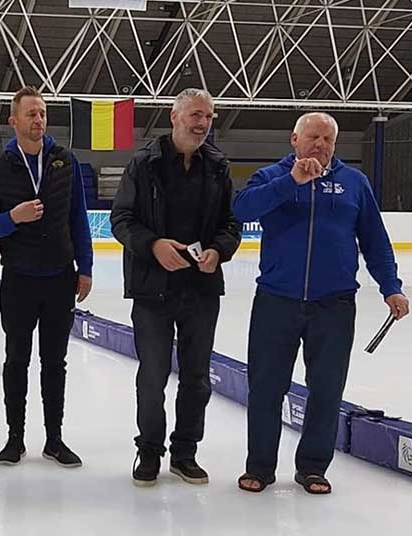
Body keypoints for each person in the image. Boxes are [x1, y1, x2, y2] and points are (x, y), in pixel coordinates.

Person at [232, 112, 410, 495]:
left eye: (328, 139)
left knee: (327, 390)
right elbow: (241, 209)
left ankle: (313, 467)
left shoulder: (354, 183)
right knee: (266, 387)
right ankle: (259, 466)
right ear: (294, 140)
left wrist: (391, 286)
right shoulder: (271, 176)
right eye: (313, 137)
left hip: (335, 305)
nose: (320, 145)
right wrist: (291, 181)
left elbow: (375, 241)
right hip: (277, 301)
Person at [110, 88, 242, 487]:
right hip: (153, 290)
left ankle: (185, 453)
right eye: (196, 115)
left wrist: (219, 251)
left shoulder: (217, 167)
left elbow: (231, 224)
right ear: (174, 116)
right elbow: (121, 219)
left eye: (209, 116)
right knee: (152, 376)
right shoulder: (143, 164)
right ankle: (149, 450)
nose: (202, 123)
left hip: (200, 290)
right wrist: (152, 245)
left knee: (197, 378)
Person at [0, 86, 93, 468]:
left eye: (42, 113)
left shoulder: (65, 161)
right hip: (19, 280)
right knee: (16, 360)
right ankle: (15, 438)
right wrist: (13, 217)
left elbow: (78, 218)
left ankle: (54, 439)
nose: (38, 119)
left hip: (60, 278)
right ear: (14, 121)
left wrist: (86, 267)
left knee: (55, 363)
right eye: (31, 114)